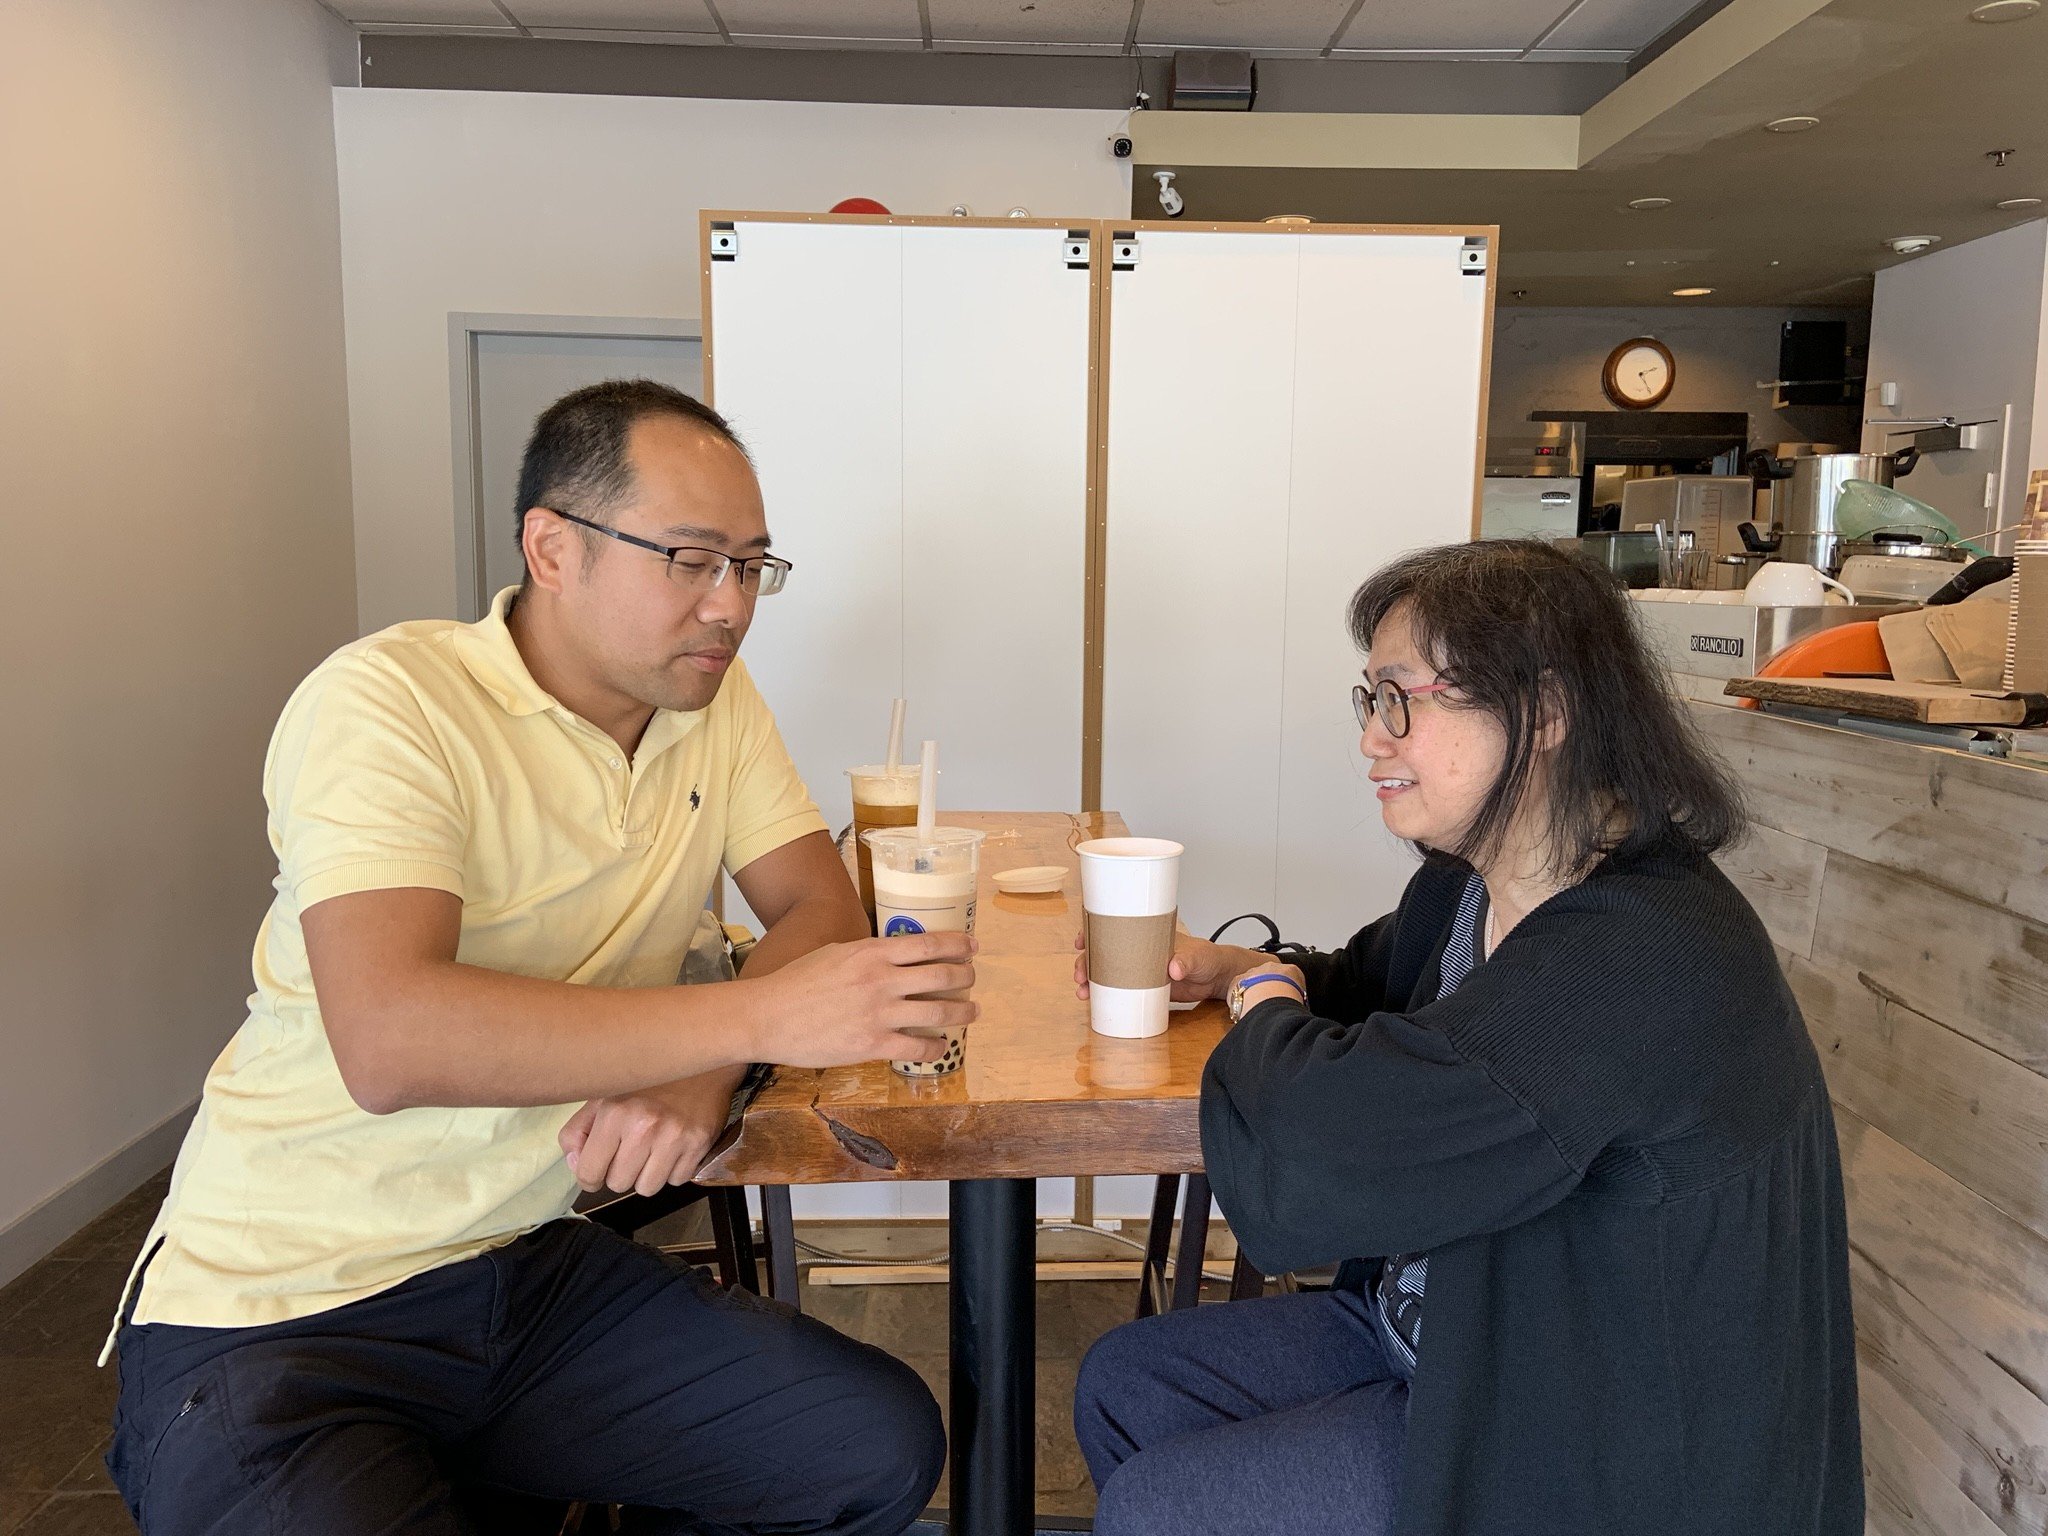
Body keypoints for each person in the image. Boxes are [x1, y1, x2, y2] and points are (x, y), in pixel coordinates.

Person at [101, 380, 969, 1535]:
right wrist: (753, 1023)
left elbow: (816, 902)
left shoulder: (709, 701)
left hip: (518, 1262)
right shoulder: (390, 702)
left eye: (753, 566)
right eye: (691, 559)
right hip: (282, 1310)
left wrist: (695, 1074)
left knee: (867, 1444)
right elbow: (392, 1037)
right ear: (551, 548)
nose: (730, 607)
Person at [1072, 540, 1861, 1536]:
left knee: (1159, 1509)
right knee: (1127, 1383)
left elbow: (1326, 1140)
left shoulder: (1638, 954)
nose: (1372, 739)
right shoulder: (1469, 881)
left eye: (1402, 699)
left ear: (1543, 710)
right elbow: (1369, 986)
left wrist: (1267, 1005)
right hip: (1454, 1330)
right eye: (1368, 700)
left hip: (1582, 1431)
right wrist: (1241, 972)